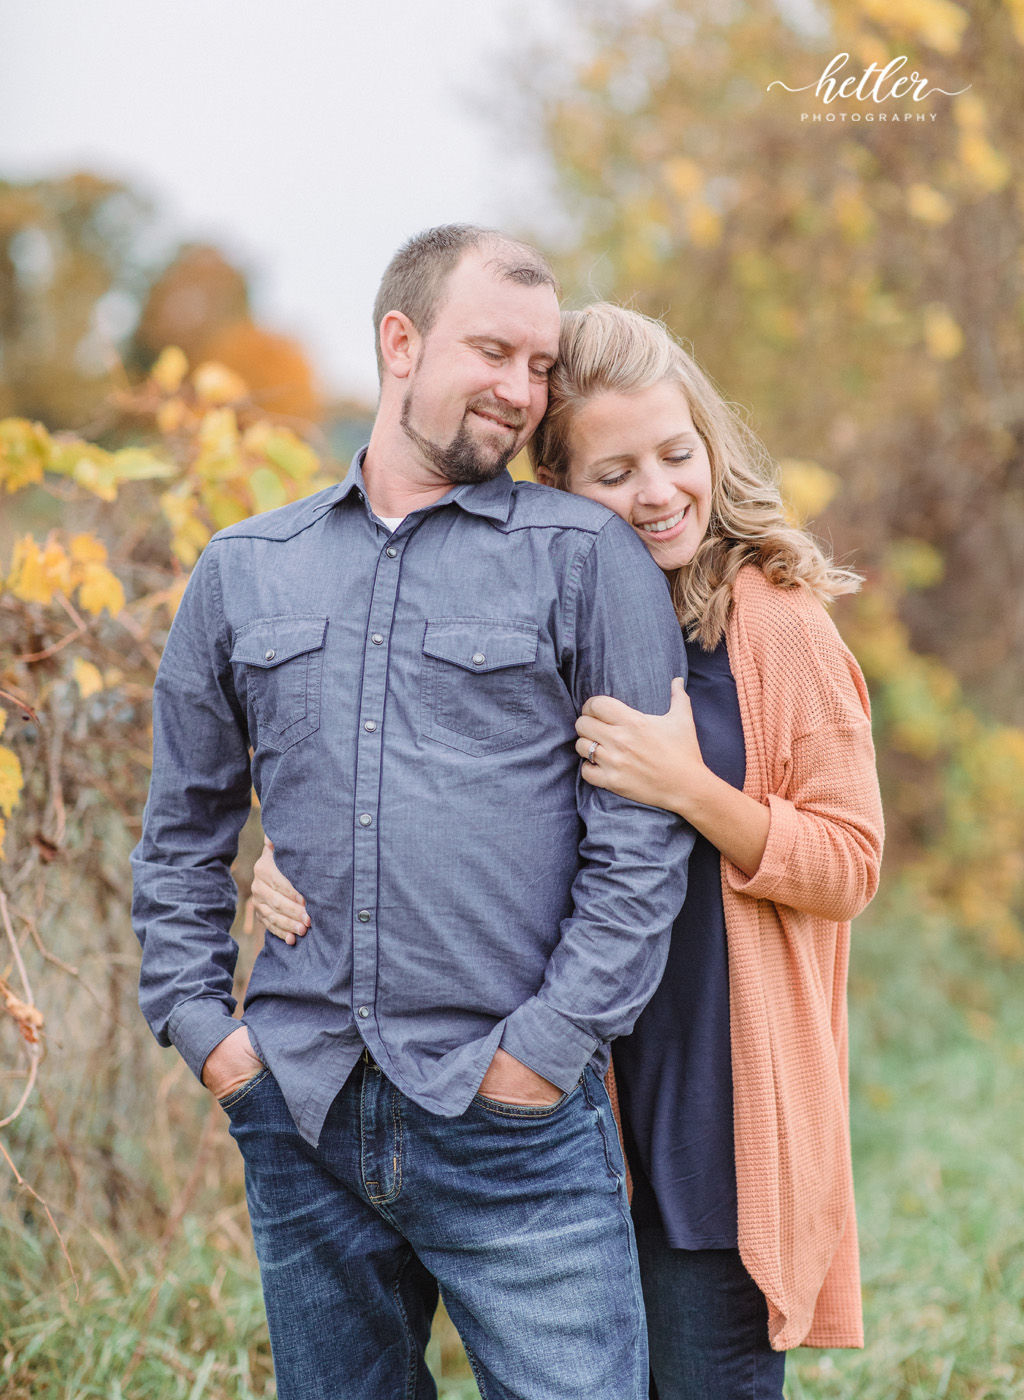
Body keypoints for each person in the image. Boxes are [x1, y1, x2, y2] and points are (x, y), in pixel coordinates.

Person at [253, 302, 884, 1400]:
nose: (657, 491)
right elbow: (432, 788)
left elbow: (847, 861)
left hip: (709, 1112)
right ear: (554, 487)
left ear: (710, 447)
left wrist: (690, 788)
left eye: (676, 454)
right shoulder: (545, 610)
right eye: (614, 471)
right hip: (560, 1104)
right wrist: (293, 866)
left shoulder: (773, 618)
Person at [131, 231, 695, 1400]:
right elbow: (182, 830)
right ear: (400, 342)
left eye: (538, 364)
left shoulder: (586, 557)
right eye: (492, 350)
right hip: (304, 1106)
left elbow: (639, 843)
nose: (520, 389)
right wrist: (207, 1032)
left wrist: (542, 1053)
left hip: (516, 1124)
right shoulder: (245, 569)